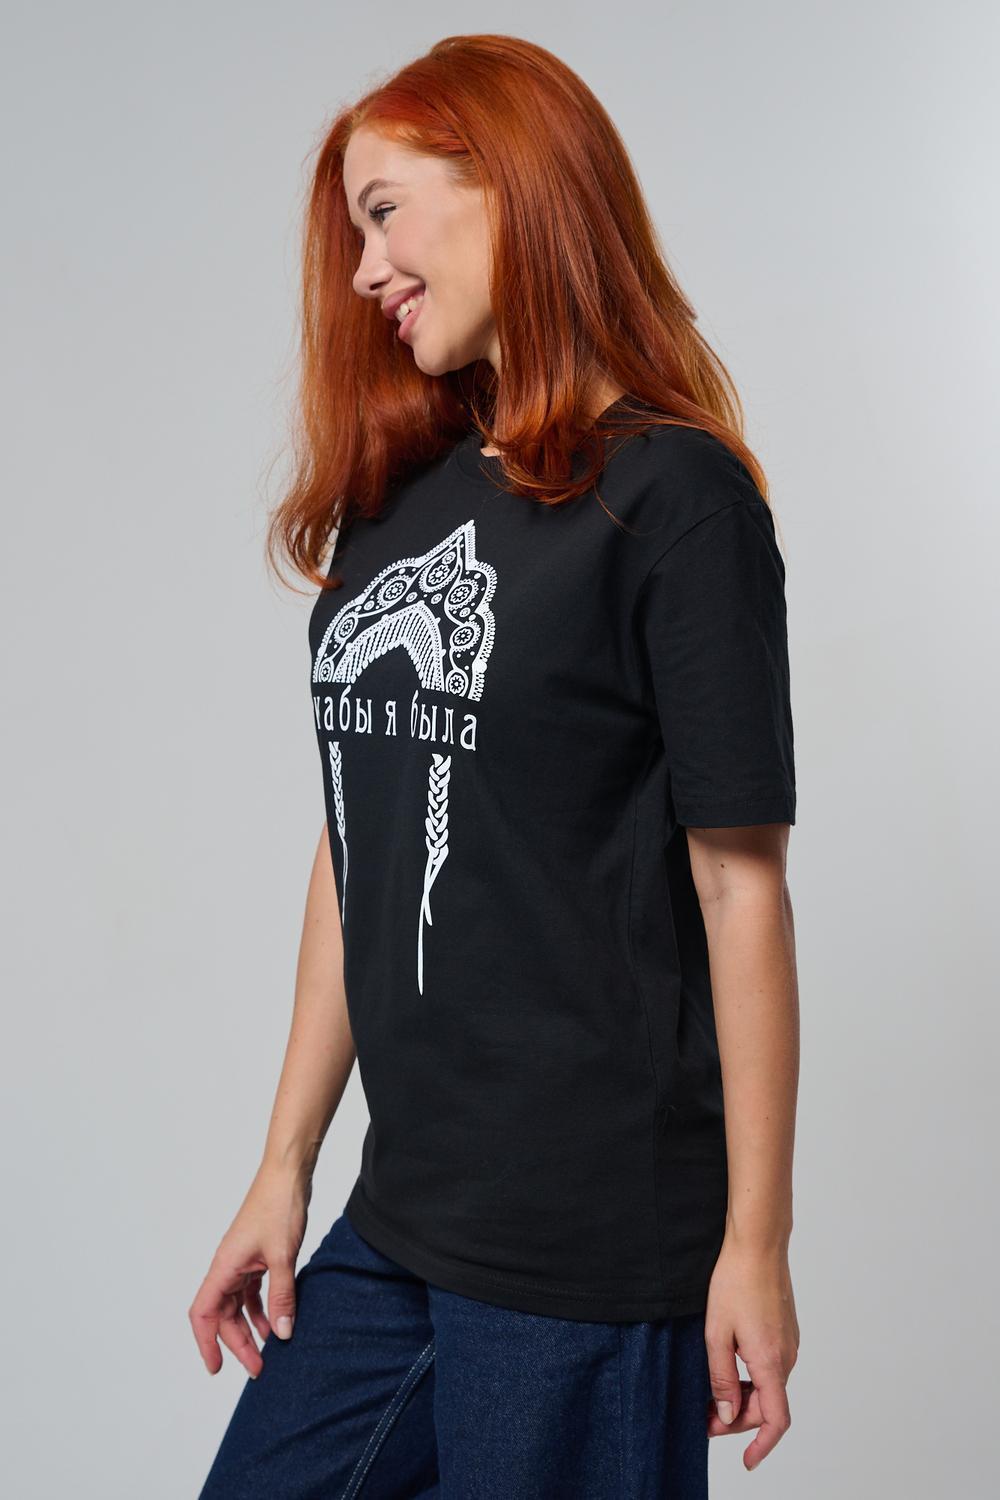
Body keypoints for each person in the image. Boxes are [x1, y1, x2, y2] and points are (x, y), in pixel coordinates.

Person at [189, 32, 800, 1499]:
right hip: (404, 1216)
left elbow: (741, 892)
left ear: (509, 185)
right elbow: (357, 841)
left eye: (384, 212)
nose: (363, 272)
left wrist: (755, 1246)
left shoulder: (676, 499)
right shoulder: (396, 503)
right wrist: (284, 1166)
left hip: (589, 1245)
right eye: (353, 234)